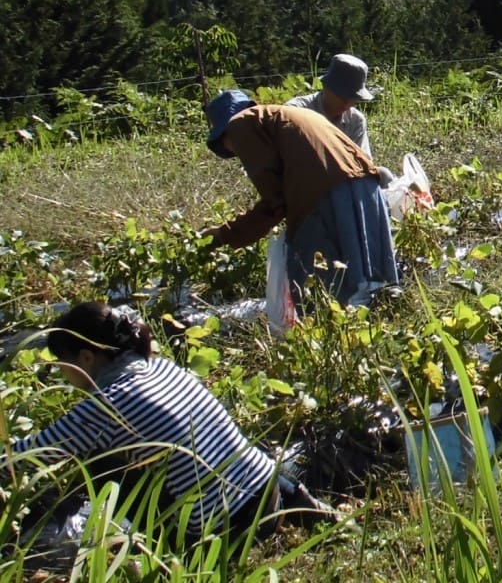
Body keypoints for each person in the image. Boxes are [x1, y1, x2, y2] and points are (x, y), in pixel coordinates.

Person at [6, 302, 333, 549]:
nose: (61, 375)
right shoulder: (159, 368)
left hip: (220, 533)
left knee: (99, 462)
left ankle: (168, 557)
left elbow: (26, 457)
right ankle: (307, 507)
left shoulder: (105, 404)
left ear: (87, 357)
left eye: (63, 364)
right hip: (268, 494)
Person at [204, 89, 399, 309]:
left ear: (224, 134)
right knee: (367, 276)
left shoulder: (240, 124)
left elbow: (274, 203)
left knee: (314, 282)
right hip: (365, 187)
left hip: (327, 193)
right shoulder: (282, 116)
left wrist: (224, 235)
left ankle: (327, 332)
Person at [286, 53, 374, 158]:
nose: (347, 103)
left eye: (353, 98)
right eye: (342, 95)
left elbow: (363, 162)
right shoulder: (295, 112)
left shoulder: (355, 121)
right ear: (326, 87)